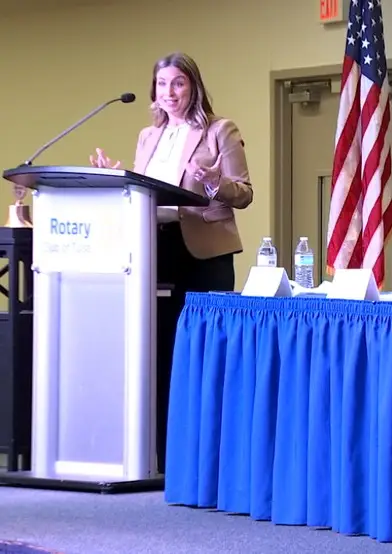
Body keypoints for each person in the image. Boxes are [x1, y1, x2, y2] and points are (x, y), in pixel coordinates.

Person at [90, 52, 254, 474]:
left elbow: (243, 193)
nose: (169, 92)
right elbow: (144, 192)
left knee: (199, 353)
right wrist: (115, 180)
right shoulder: (149, 136)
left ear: (193, 86)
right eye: (162, 84)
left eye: (178, 83)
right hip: (153, 250)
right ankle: (162, 456)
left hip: (202, 254)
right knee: (158, 350)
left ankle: (206, 458)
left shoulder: (219, 130)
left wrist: (214, 181)